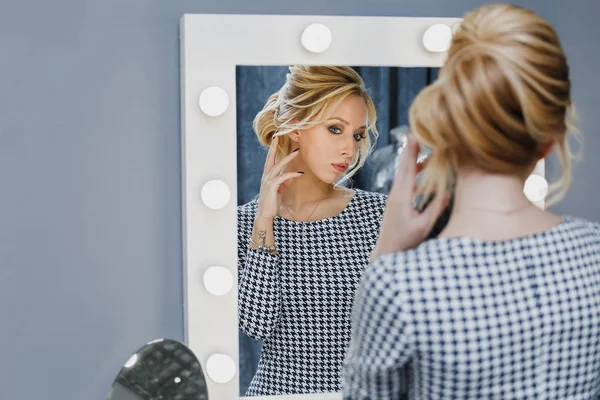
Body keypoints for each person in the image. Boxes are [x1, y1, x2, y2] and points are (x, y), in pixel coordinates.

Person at [343, 4, 600, 400]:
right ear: (550, 138)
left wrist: (384, 255)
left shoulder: (400, 286)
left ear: (447, 127)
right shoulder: (595, 254)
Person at [237, 66, 388, 396]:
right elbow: (256, 325)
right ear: (295, 128)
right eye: (336, 129)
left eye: (357, 135)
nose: (349, 149)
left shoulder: (379, 214)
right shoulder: (244, 224)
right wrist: (265, 219)